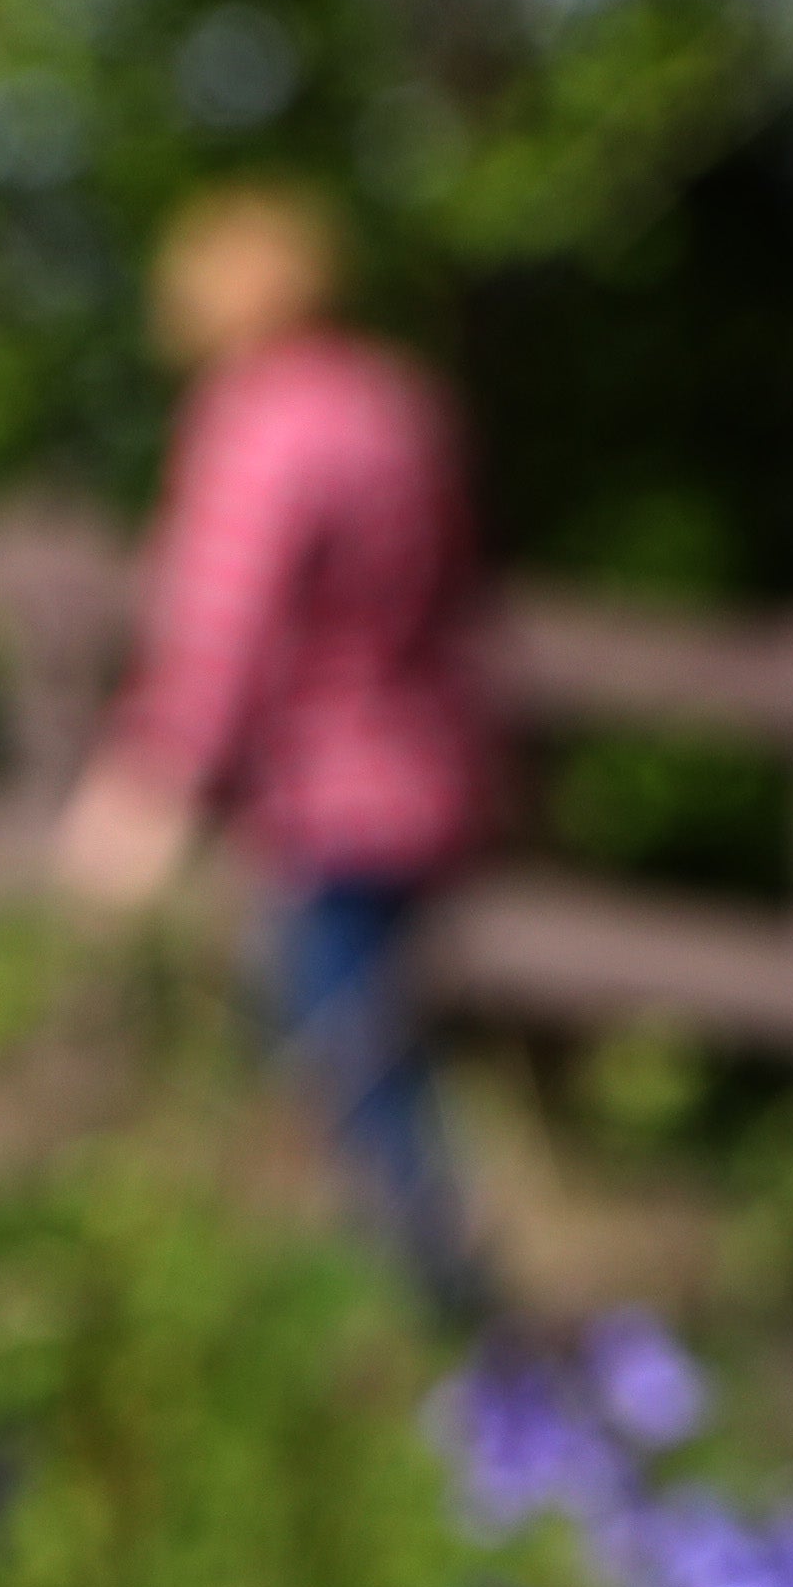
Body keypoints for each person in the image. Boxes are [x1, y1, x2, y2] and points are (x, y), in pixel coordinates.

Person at [54, 182, 501, 1307]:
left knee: (350, 1087)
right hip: (432, 781)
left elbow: (223, 626)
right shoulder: (396, 402)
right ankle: (423, 1314)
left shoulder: (259, 421)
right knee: (388, 1064)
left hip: (325, 800)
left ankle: (441, 1330)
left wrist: (151, 780)